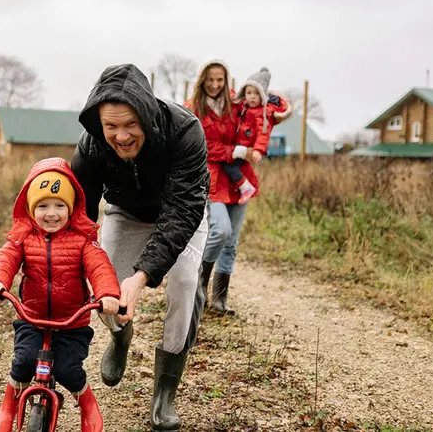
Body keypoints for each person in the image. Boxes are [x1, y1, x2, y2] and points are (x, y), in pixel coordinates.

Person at [70, 63, 210, 431]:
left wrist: (143, 275)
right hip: (126, 211)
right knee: (104, 282)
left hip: (181, 212)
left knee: (182, 284)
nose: (121, 136)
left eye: (130, 124)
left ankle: (165, 390)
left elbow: (183, 212)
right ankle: (119, 337)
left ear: (146, 115)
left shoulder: (185, 132)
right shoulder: (92, 143)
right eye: (111, 126)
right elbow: (80, 209)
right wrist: (75, 257)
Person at [0, 157, 122, 432]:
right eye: (43, 206)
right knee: (22, 363)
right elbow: (5, 259)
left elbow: (100, 267)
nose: (52, 213)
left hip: (71, 323)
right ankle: (8, 405)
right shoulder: (23, 238)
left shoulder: (83, 241)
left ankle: (88, 405)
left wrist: (107, 294)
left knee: (69, 370)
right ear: (31, 209)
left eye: (60, 205)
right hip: (31, 318)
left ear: (70, 208)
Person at [189, 62, 291, 315]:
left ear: (227, 81)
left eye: (220, 80)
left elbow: (264, 110)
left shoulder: (236, 102)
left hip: (240, 179)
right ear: (203, 80)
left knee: (232, 241)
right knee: (220, 231)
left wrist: (282, 108)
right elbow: (199, 145)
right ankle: (198, 287)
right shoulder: (193, 108)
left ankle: (219, 299)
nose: (215, 85)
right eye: (210, 80)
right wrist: (234, 150)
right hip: (213, 179)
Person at [221, 67, 289, 205]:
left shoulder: (262, 113)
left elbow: (264, 132)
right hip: (240, 144)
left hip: (248, 147)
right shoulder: (246, 107)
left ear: (263, 96)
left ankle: (246, 187)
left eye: (256, 94)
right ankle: (241, 186)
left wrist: (258, 150)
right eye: (249, 92)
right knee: (228, 165)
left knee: (229, 166)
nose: (252, 96)